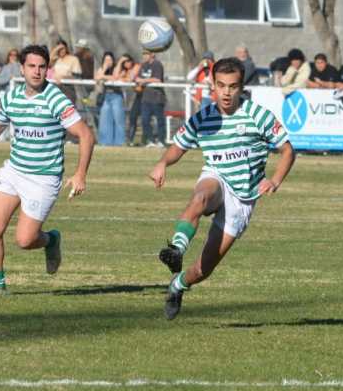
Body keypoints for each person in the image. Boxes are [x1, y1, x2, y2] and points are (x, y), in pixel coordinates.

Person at [0, 44, 95, 297]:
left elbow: (86, 135)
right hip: (14, 171)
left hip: (44, 177)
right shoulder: (9, 98)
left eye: (42, 67)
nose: (37, 71)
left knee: (25, 240)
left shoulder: (55, 99)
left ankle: (51, 239)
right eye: (31, 66)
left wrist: (80, 174)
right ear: (21, 69)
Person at [150, 57, 296, 320]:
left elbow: (287, 150)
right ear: (213, 86)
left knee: (202, 270)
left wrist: (274, 180)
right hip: (216, 177)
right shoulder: (203, 118)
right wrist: (162, 163)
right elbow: (178, 147)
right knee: (200, 196)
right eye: (221, 85)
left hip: (243, 198)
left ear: (241, 87)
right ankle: (176, 250)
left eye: (233, 86)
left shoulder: (258, 115)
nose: (227, 92)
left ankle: (178, 285)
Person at [94, 52, 127, 146]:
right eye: (106, 60)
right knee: (105, 119)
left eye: (110, 59)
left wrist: (103, 77)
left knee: (118, 119)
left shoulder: (117, 68)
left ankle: (119, 142)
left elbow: (115, 77)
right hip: (105, 95)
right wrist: (104, 69)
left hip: (116, 95)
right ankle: (105, 142)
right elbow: (97, 78)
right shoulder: (102, 69)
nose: (108, 61)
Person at [137, 50, 166, 147]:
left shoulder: (157, 64)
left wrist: (144, 80)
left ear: (152, 54)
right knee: (145, 120)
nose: (144, 56)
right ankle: (150, 140)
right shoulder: (143, 65)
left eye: (146, 54)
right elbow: (138, 78)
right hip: (146, 98)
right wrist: (138, 80)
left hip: (157, 97)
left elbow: (157, 79)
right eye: (143, 54)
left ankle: (161, 141)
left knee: (160, 120)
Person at [50, 39, 82, 104]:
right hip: (56, 90)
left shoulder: (73, 59)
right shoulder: (56, 59)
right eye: (59, 49)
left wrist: (63, 77)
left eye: (62, 48)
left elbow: (77, 76)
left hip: (68, 90)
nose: (61, 51)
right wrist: (55, 50)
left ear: (66, 48)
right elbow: (47, 62)